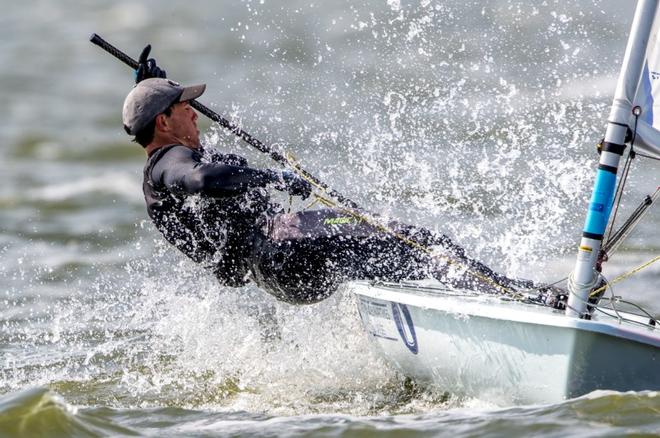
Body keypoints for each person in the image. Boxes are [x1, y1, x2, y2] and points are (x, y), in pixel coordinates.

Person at [122, 48, 537, 304]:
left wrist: (152, 87)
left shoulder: (157, 175)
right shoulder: (173, 162)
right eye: (182, 108)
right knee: (426, 245)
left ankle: (447, 308)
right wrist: (273, 178)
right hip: (289, 249)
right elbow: (199, 180)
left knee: (394, 254)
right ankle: (519, 298)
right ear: (163, 123)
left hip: (279, 272)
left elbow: (197, 181)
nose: (194, 113)